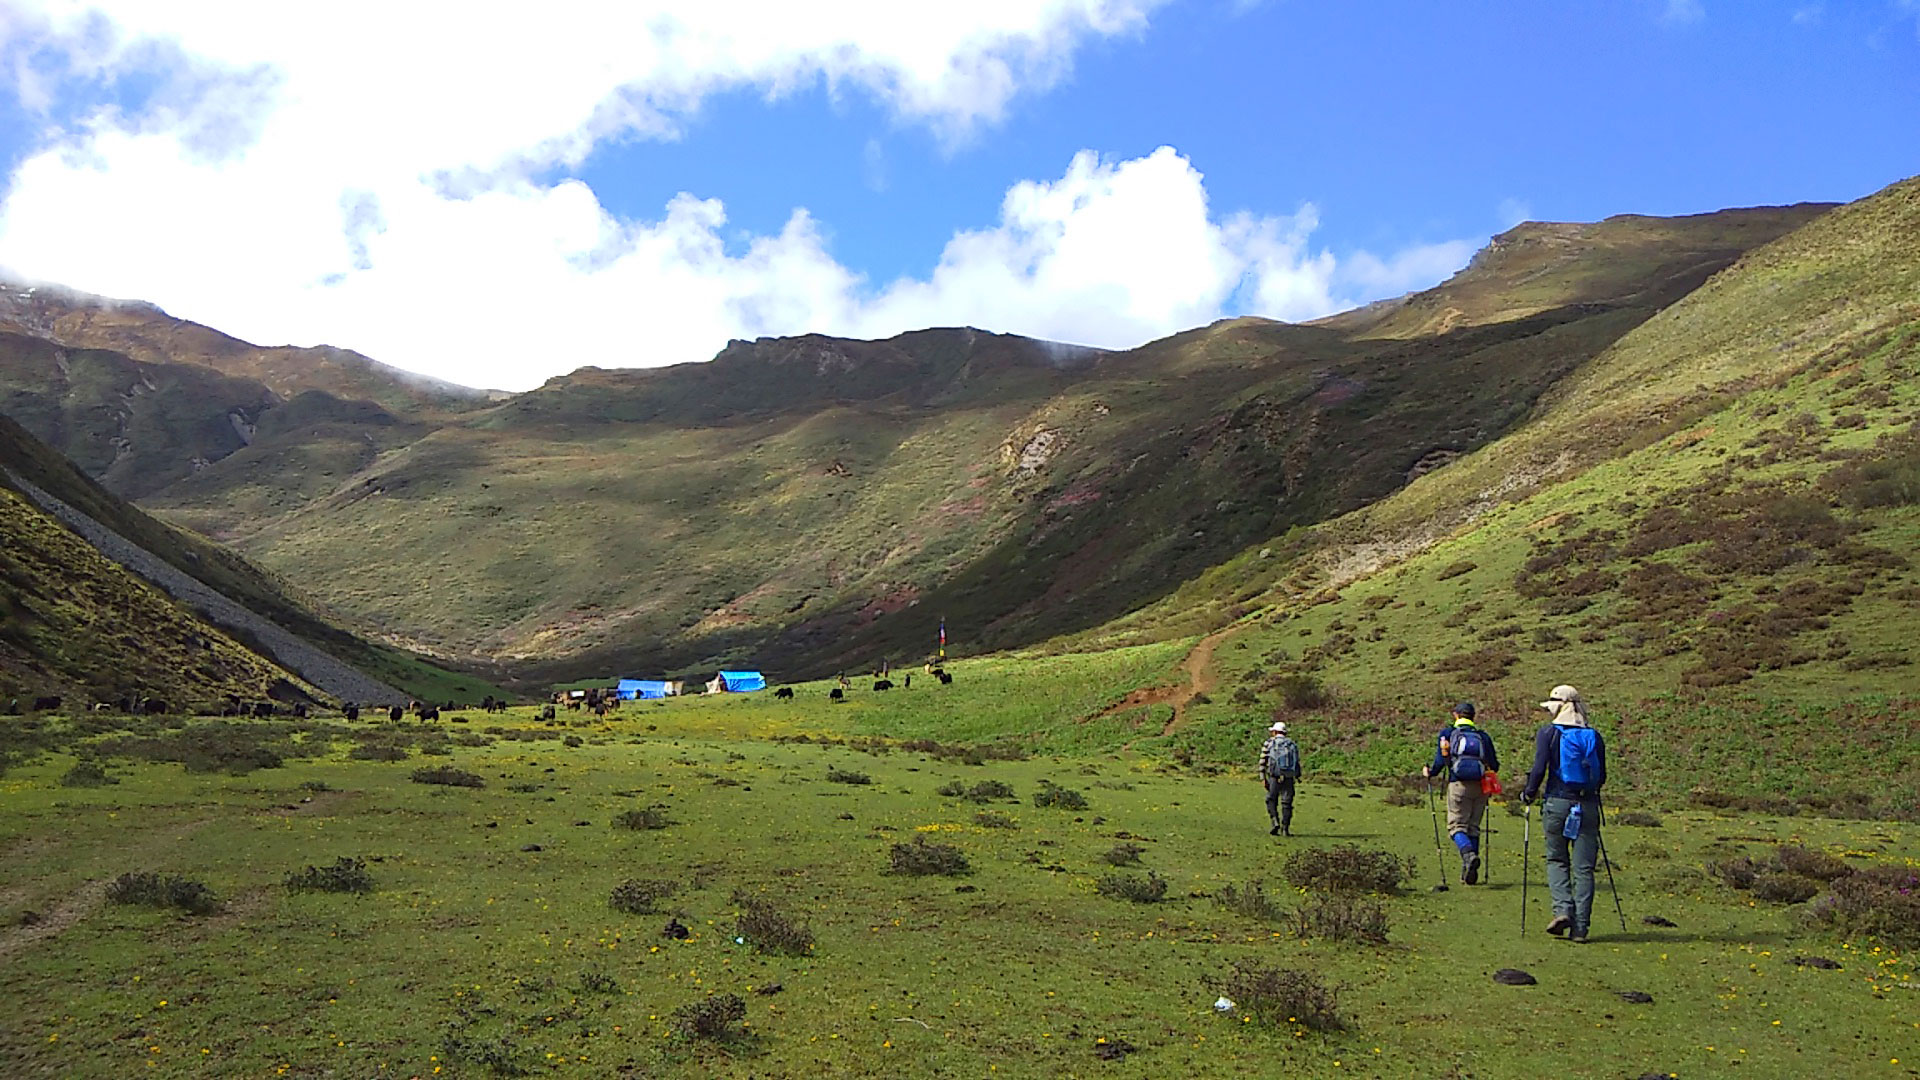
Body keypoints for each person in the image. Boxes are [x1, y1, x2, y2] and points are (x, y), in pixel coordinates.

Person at [1522, 684, 1607, 943]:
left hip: (1557, 803)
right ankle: (1580, 929)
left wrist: (1529, 793)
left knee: (1557, 860)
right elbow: (1601, 776)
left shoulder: (1549, 733)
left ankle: (1562, 910)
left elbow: (1539, 769)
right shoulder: (1594, 736)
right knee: (1584, 869)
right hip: (1588, 806)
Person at [1423, 702, 1499, 885]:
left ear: (1456, 715)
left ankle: (1468, 855)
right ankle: (1469, 872)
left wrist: (1430, 772)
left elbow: (1441, 759)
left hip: (1459, 784)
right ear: (1473, 716)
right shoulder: (1483, 737)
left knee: (1456, 826)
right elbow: (1494, 764)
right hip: (1481, 786)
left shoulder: (1447, 734)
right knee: (1473, 827)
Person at [1258, 720, 1301, 836]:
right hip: (1288, 777)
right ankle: (1285, 828)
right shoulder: (1292, 744)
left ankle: (1275, 822)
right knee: (1287, 803)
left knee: (1271, 799)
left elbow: (1262, 761)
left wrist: (1263, 778)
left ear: (1275, 732)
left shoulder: (1269, 743)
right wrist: (1297, 775)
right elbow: (1297, 762)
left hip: (1274, 777)